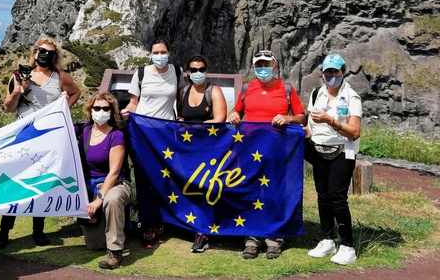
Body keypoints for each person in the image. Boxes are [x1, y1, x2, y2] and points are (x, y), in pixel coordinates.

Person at [0, 36, 81, 248]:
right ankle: (4, 232)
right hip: (22, 136)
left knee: (42, 182)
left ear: (55, 56)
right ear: (34, 52)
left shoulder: (60, 77)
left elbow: (76, 92)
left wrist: (62, 109)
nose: (45, 55)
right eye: (42, 51)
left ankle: (38, 230)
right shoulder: (19, 75)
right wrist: (18, 89)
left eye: (50, 53)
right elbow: (8, 107)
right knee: (14, 181)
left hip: (47, 138)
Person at [227, 49, 306, 260]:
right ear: (254, 68)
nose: (263, 69)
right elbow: (236, 111)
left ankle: (274, 238)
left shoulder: (286, 89)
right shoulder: (247, 88)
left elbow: (302, 117)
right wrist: (233, 113)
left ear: (275, 66)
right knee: (251, 192)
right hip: (250, 152)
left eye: (266, 65)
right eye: (259, 65)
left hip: (278, 152)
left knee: (275, 193)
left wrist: (288, 119)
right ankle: (252, 239)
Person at [123, 37, 182, 246]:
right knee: (144, 177)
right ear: (150, 54)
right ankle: (147, 223)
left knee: (165, 178)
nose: (159, 56)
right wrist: (124, 113)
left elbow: (181, 99)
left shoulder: (177, 72)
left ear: (169, 52)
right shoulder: (141, 74)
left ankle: (162, 222)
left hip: (167, 133)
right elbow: (133, 103)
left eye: (163, 52)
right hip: (143, 133)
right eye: (156, 53)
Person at [306, 53, 362, 266]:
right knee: (322, 196)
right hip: (319, 150)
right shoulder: (316, 94)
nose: (331, 76)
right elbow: (309, 124)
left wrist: (331, 121)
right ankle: (327, 239)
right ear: (322, 73)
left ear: (343, 72)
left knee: (337, 197)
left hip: (342, 152)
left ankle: (348, 246)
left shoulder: (352, 97)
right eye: (328, 72)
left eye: (335, 72)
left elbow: (355, 132)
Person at [176, 54, 227, 253]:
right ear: (188, 73)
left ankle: (203, 232)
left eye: (201, 69)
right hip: (187, 150)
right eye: (193, 70)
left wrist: (192, 126)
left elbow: (220, 119)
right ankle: (189, 224)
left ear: (206, 71)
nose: (198, 73)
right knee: (189, 187)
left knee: (207, 188)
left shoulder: (214, 91)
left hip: (209, 150)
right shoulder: (182, 92)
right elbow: (179, 117)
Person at [77, 92, 131, 269]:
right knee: (94, 245)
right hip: (90, 185)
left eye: (105, 108)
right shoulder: (83, 131)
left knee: (112, 200)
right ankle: (115, 229)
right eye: (97, 108)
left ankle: (115, 252)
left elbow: (114, 172)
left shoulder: (117, 135)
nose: (101, 112)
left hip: (115, 184)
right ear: (90, 110)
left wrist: (99, 198)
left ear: (112, 111)